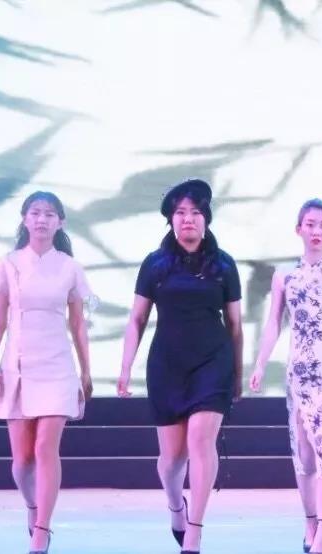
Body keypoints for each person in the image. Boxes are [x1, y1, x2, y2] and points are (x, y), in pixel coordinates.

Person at [117, 179, 243, 554]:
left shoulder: (224, 265)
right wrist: (125, 368)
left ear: (207, 218)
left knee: (201, 440)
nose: (188, 219)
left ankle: (195, 530)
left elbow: (235, 325)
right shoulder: (155, 264)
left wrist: (237, 373)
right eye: (181, 212)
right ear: (171, 219)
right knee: (172, 459)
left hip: (213, 361)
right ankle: (176, 506)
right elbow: (137, 319)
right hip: (168, 364)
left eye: (196, 212)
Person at [0, 191, 94, 554]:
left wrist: (86, 371)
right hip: (19, 367)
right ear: (25, 219)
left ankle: (42, 530)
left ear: (61, 222)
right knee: (22, 461)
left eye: (50, 214)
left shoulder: (70, 267)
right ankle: (32, 506)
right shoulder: (8, 263)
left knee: (45, 448)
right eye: (36, 213)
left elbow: (78, 324)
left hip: (57, 365)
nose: (42, 219)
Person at [249, 198, 322, 554]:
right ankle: (310, 520)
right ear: (299, 229)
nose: (316, 231)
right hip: (301, 374)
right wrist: (260, 363)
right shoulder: (284, 275)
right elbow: (273, 323)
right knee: (306, 457)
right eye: (310, 224)